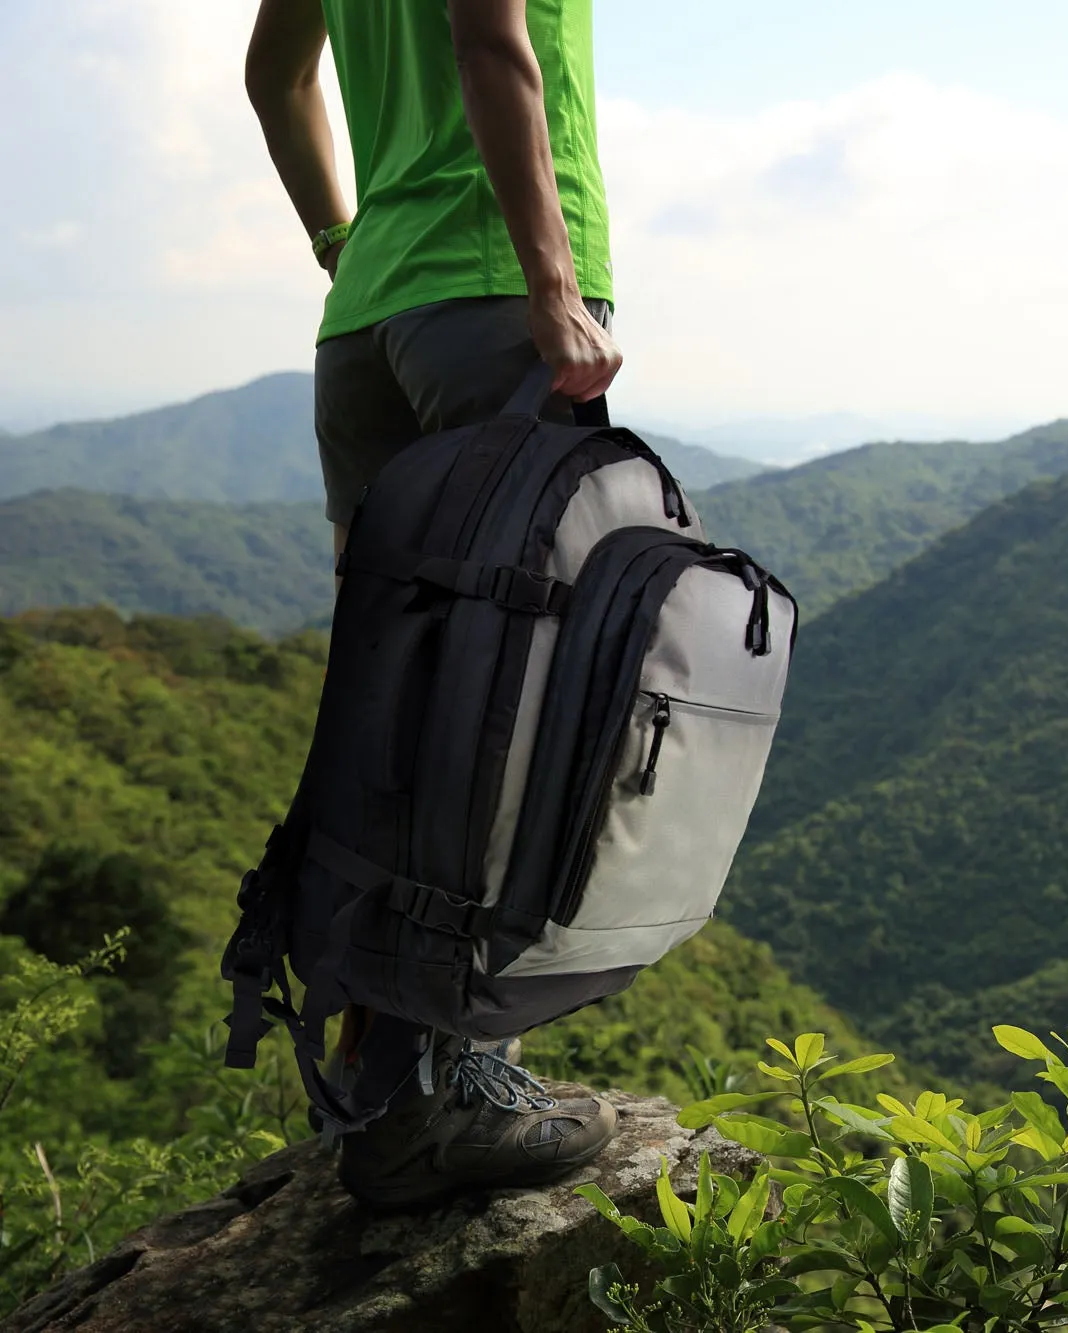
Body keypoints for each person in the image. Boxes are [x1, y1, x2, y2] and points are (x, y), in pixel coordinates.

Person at [245, 0, 621, 1205]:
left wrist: (337, 236)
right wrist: (549, 279)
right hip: (491, 300)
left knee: (392, 710)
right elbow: (487, 35)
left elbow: (274, 73)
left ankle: (378, 1089)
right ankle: (442, 1105)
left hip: (365, 324)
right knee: (503, 713)